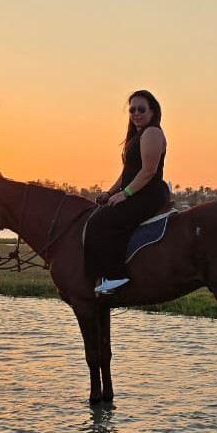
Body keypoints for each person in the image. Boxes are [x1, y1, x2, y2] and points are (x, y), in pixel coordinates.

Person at [85, 89, 171, 294]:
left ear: (152, 111)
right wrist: (109, 193)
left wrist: (126, 194)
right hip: (136, 191)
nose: (136, 113)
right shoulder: (136, 137)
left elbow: (148, 171)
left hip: (149, 193)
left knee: (102, 221)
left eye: (141, 109)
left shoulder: (152, 132)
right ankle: (98, 275)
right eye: (132, 110)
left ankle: (115, 276)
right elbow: (127, 173)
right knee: (96, 215)